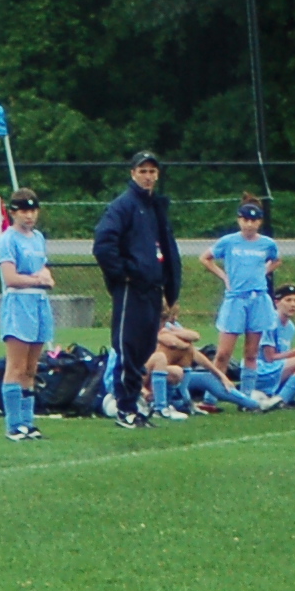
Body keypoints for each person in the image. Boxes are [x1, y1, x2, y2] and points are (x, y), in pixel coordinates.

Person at [93, 150, 180, 428]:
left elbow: (165, 248)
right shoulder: (123, 205)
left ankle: (135, 405)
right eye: (143, 171)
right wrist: (125, 274)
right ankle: (125, 408)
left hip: (152, 290)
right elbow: (103, 244)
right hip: (132, 290)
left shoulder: (155, 207)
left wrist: (170, 288)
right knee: (128, 348)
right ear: (133, 173)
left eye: (152, 171)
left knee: (144, 349)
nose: (148, 176)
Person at [0, 188, 54, 443]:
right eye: (23, 211)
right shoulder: (8, 239)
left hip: (39, 302)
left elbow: (43, 268)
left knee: (31, 367)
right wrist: (36, 280)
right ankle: (13, 424)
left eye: (33, 211)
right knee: (16, 366)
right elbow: (10, 277)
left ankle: (28, 422)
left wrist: (46, 278)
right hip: (19, 304)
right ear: (13, 212)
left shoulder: (38, 238)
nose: (29, 216)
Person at [201, 198, 281, 375]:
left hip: (257, 299)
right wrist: (224, 276)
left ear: (259, 222)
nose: (249, 225)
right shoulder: (229, 241)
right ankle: (214, 390)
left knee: (251, 354)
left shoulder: (267, 243)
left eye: (254, 221)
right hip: (236, 298)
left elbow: (276, 260)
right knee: (223, 353)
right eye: (245, 220)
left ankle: (247, 390)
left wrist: (263, 272)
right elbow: (206, 258)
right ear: (239, 220)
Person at [247, 282, 295, 402]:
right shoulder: (269, 322)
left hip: (275, 369)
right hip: (261, 370)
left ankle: (284, 397)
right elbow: (270, 358)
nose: (293, 305)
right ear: (277, 302)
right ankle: (281, 399)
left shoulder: (290, 327)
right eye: (288, 300)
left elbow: (284, 357)